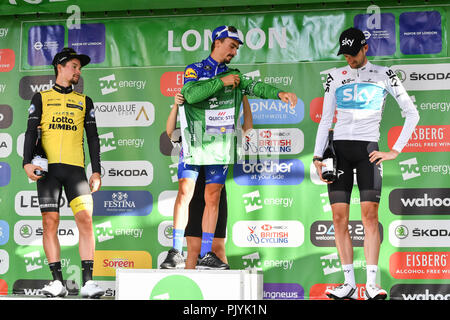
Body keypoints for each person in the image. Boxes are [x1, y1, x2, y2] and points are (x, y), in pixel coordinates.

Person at [160, 25, 297, 270]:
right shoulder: (195, 69)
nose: (234, 52)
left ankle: (206, 255)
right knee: (185, 193)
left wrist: (279, 94)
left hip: (220, 145)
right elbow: (190, 95)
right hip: (194, 140)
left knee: (213, 196)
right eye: (232, 46)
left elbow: (257, 87)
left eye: (236, 48)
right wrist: (221, 82)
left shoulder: (235, 75)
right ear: (217, 43)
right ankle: (175, 252)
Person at [313, 27, 419, 300]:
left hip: (368, 150)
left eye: (353, 54)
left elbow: (411, 113)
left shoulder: (385, 74)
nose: (349, 59)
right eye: (345, 55)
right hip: (339, 152)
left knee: (370, 218)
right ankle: (348, 284)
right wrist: (316, 156)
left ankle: (371, 285)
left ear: (365, 48)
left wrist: (395, 150)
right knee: (339, 219)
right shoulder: (334, 77)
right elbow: (326, 119)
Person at [22, 47, 104, 298]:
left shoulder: (84, 101)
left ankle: (88, 283)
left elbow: (92, 139)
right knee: (50, 222)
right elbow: (30, 132)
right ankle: (57, 282)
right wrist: (26, 162)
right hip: (48, 172)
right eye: (74, 67)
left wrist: (97, 171)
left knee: (86, 220)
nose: (79, 71)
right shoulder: (41, 98)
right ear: (60, 66)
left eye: (80, 68)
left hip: (76, 172)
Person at [161, 92, 253, 269]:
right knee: (193, 249)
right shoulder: (191, 133)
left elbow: (247, 127)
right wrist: (175, 106)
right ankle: (188, 294)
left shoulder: (225, 133)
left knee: (217, 247)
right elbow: (171, 133)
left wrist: (243, 98)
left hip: (215, 193)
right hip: (193, 194)